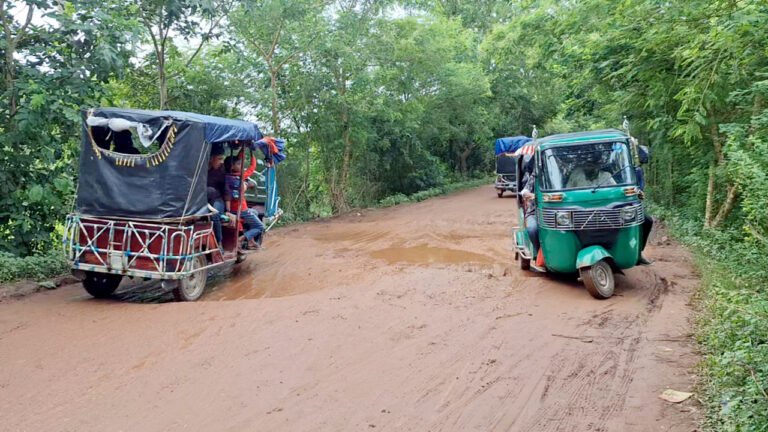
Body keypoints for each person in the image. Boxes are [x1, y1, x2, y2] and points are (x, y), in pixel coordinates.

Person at [225, 153, 265, 250]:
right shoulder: (239, 178)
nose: (241, 166)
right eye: (238, 164)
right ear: (232, 166)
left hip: (233, 210)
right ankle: (242, 238)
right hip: (241, 210)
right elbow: (252, 167)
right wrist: (252, 153)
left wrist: (243, 152)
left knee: (254, 212)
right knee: (260, 226)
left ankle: (251, 241)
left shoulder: (227, 177)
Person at [206, 144, 234, 248]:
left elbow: (225, 190)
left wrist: (228, 211)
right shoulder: (201, 169)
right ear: (210, 158)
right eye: (219, 159)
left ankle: (219, 243)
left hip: (217, 199)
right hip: (202, 199)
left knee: (215, 215)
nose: (222, 161)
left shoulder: (221, 170)